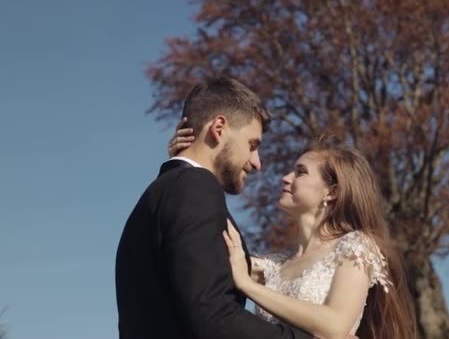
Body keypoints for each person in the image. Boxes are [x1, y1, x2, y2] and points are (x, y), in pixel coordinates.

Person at [115, 77, 315, 339]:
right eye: (252, 145)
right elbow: (214, 318)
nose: (257, 163)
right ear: (219, 128)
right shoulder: (194, 187)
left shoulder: (161, 192)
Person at [168, 135, 417, 338]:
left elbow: (334, 325)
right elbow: (205, 246)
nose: (286, 178)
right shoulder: (270, 267)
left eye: (300, 172)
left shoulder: (356, 247)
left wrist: (247, 285)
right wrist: (188, 161)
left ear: (331, 192)